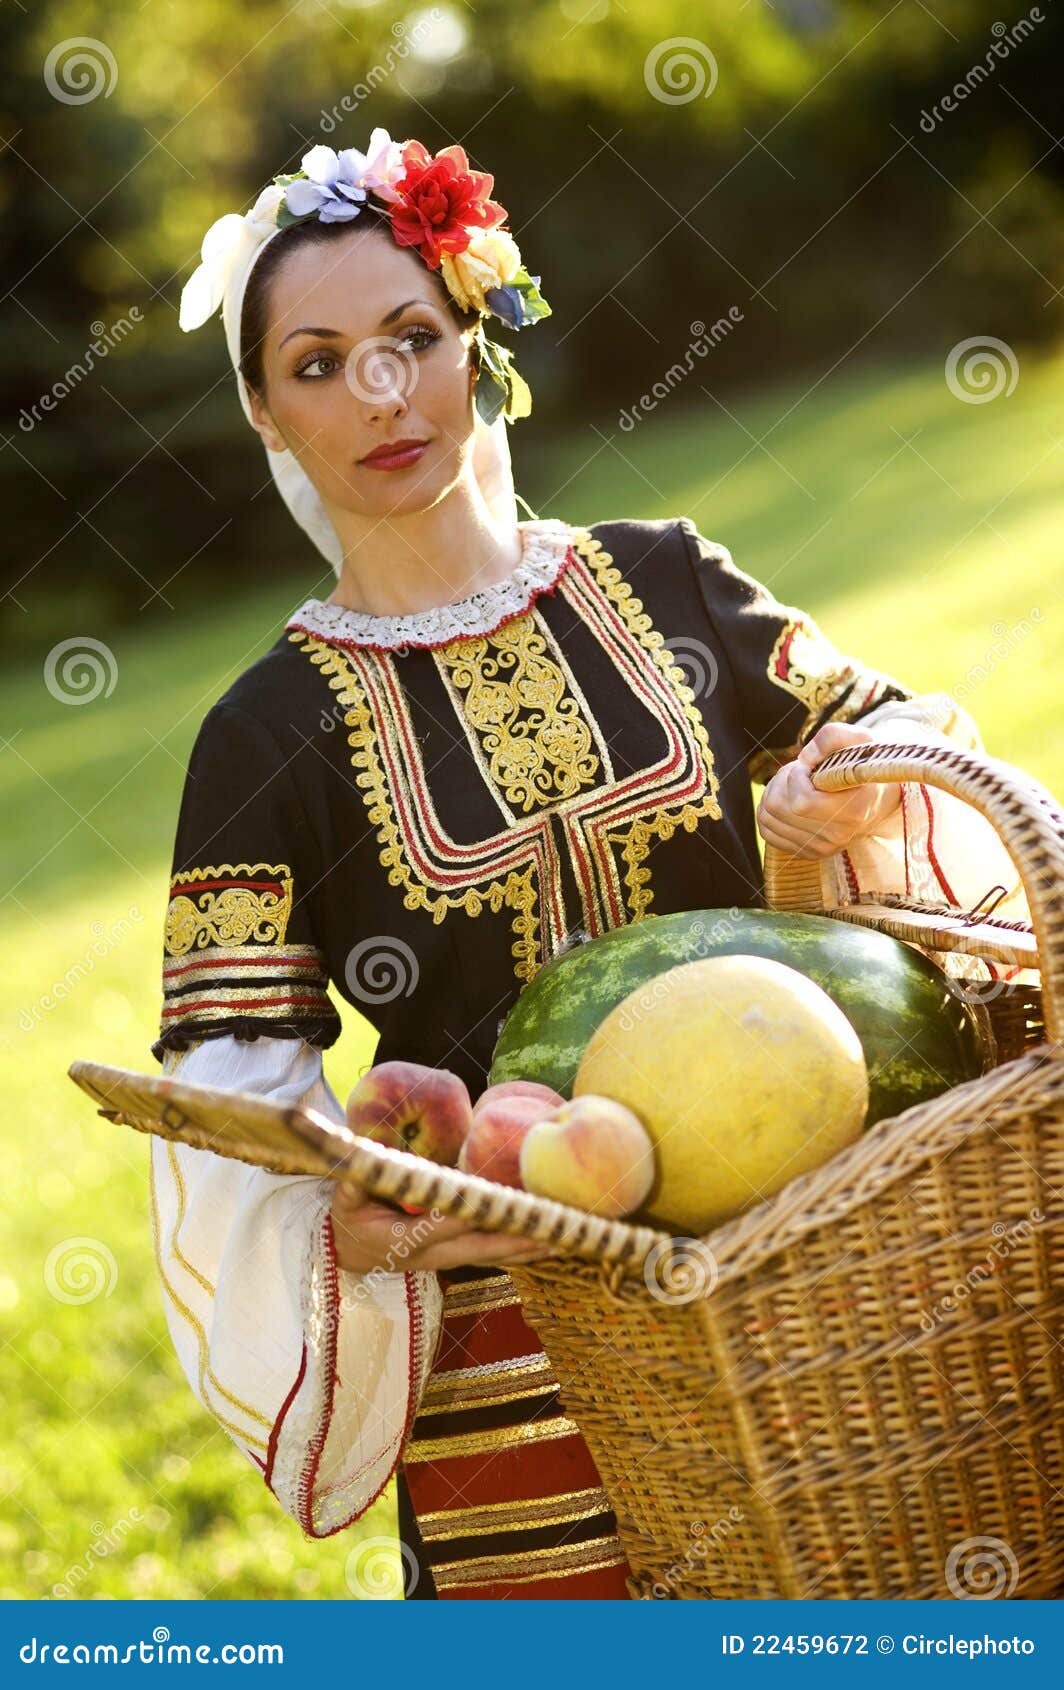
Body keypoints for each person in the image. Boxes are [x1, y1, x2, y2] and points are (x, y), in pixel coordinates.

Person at [149, 128, 1033, 1600]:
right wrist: (351, 1226)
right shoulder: (263, 736)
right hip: (509, 1344)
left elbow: (911, 759)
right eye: (317, 364)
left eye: (411, 337)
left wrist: (830, 803)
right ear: (262, 412)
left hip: (799, 1269)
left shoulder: (670, 577)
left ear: (477, 343)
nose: (379, 393)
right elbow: (225, 1103)